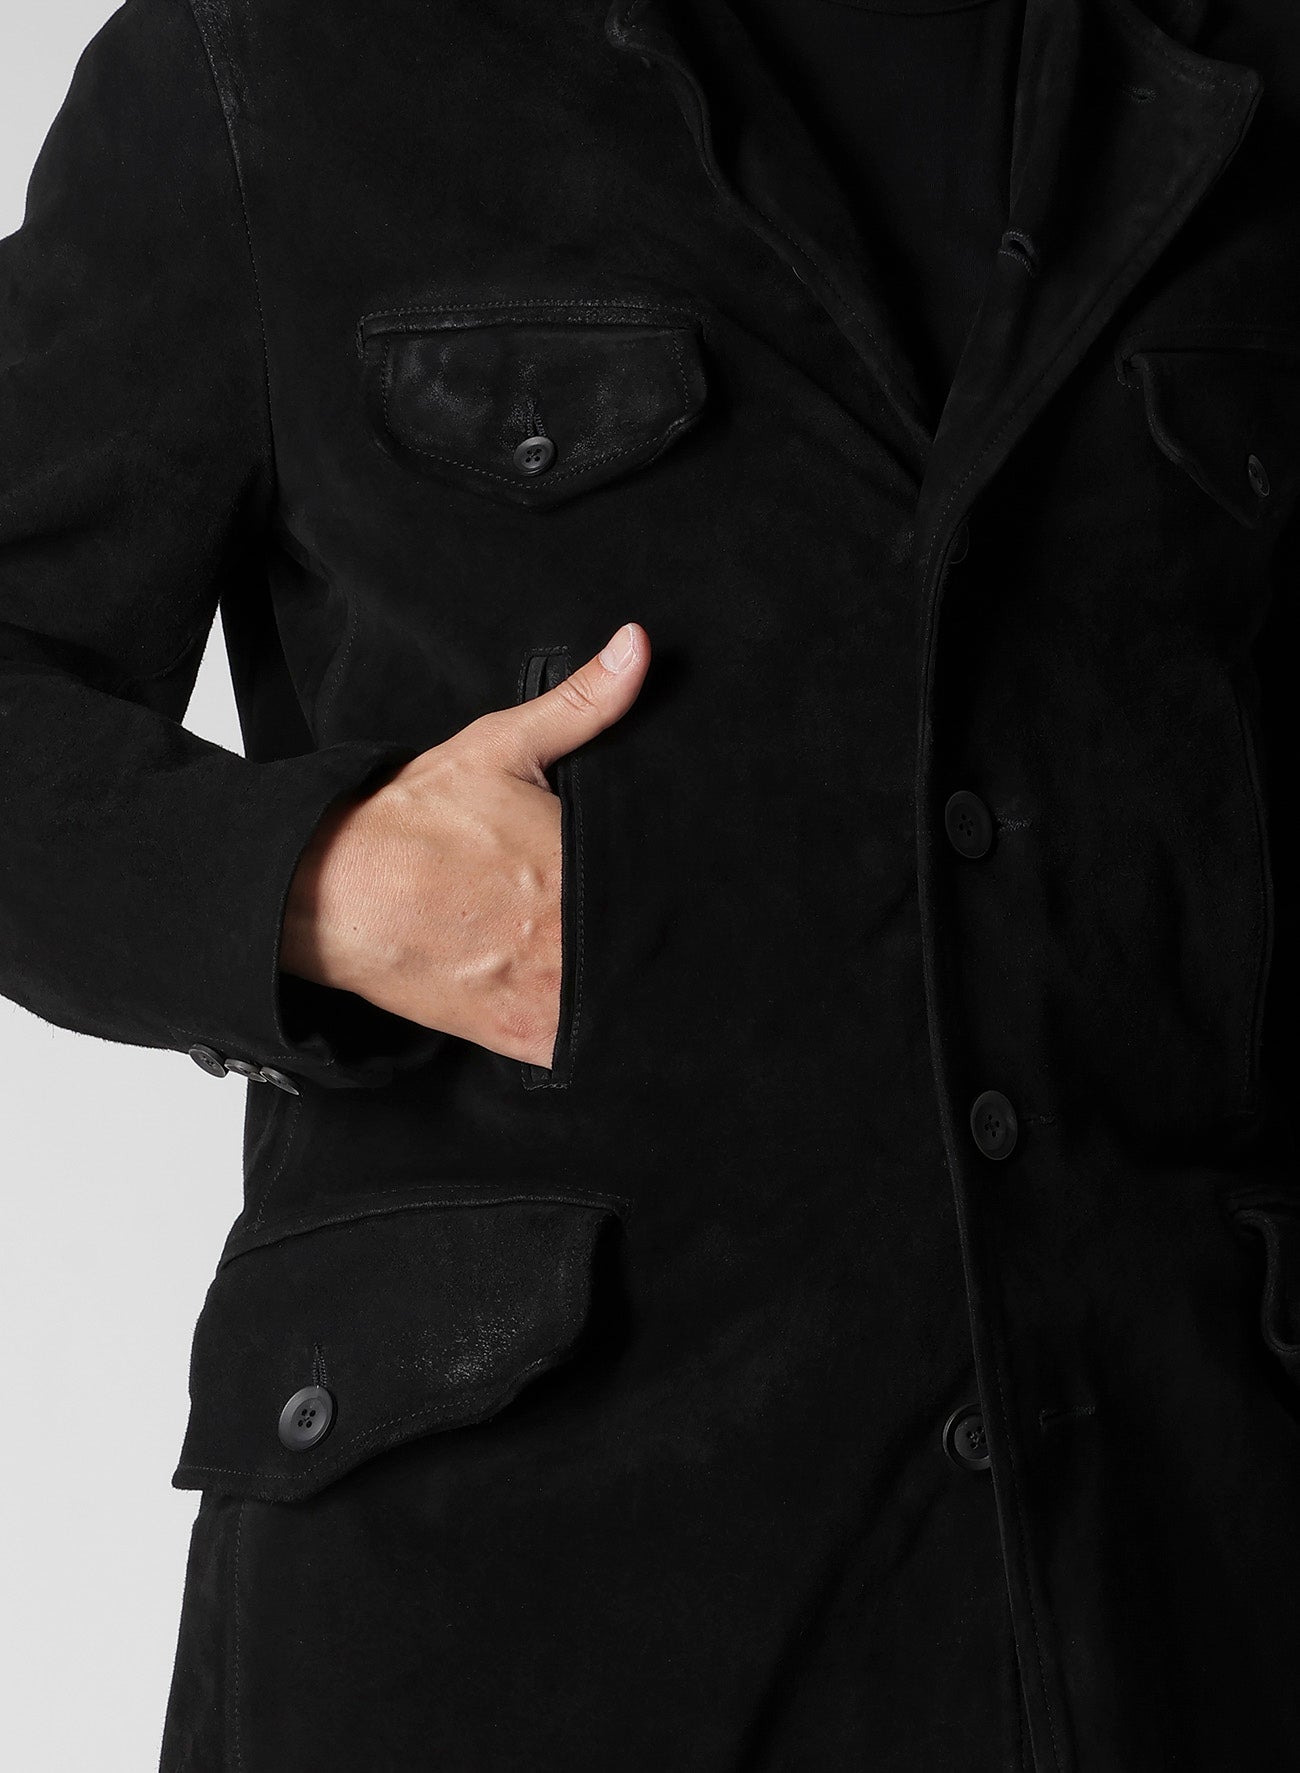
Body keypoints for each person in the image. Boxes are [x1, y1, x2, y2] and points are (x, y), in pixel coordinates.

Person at [2, 0, 1299, 1767]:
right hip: (513, 1615)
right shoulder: (278, 59)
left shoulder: (1247, 71)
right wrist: (328, 886)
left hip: (1180, 1591)